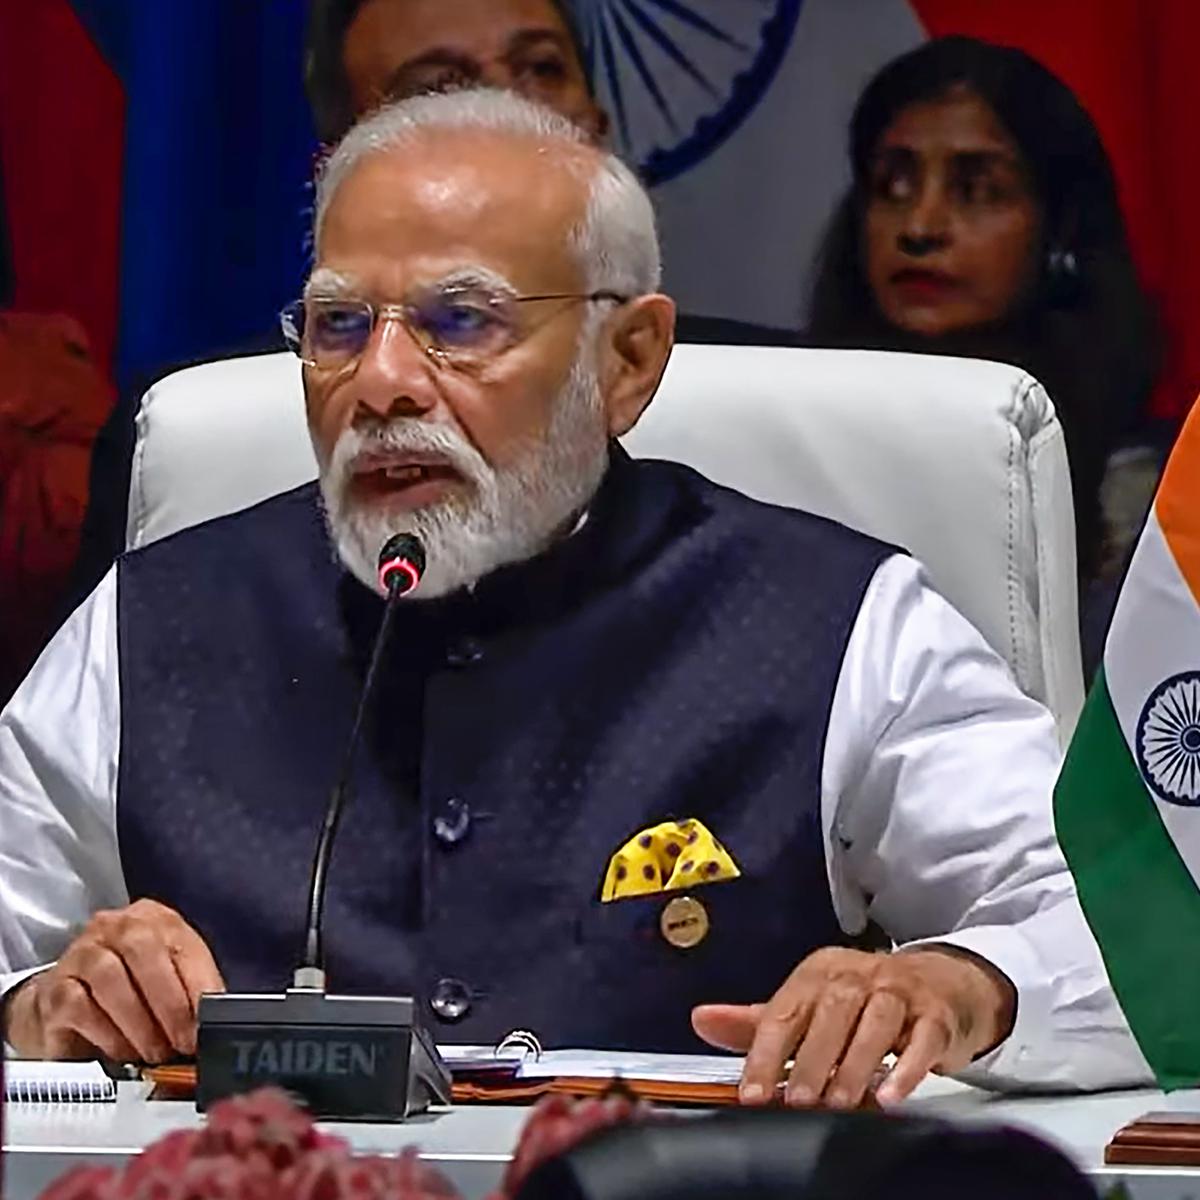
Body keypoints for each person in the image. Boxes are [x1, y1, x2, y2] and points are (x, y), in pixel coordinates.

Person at [0, 89, 1148, 1106]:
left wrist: (953, 987)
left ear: (630, 361)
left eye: (462, 322)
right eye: (341, 325)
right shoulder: (156, 621)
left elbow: (1129, 937)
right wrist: (40, 1005)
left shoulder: (841, 625)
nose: (384, 383)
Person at [67, 0, 783, 631]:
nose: (381, 383)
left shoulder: (849, 649)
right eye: (441, 93)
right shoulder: (140, 635)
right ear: (341, 160)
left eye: (540, 68)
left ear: (629, 361)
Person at [807, 37, 1161, 626]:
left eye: (976, 191)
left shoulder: (1144, 494)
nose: (919, 227)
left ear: (1059, 230)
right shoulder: (793, 442)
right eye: (893, 186)